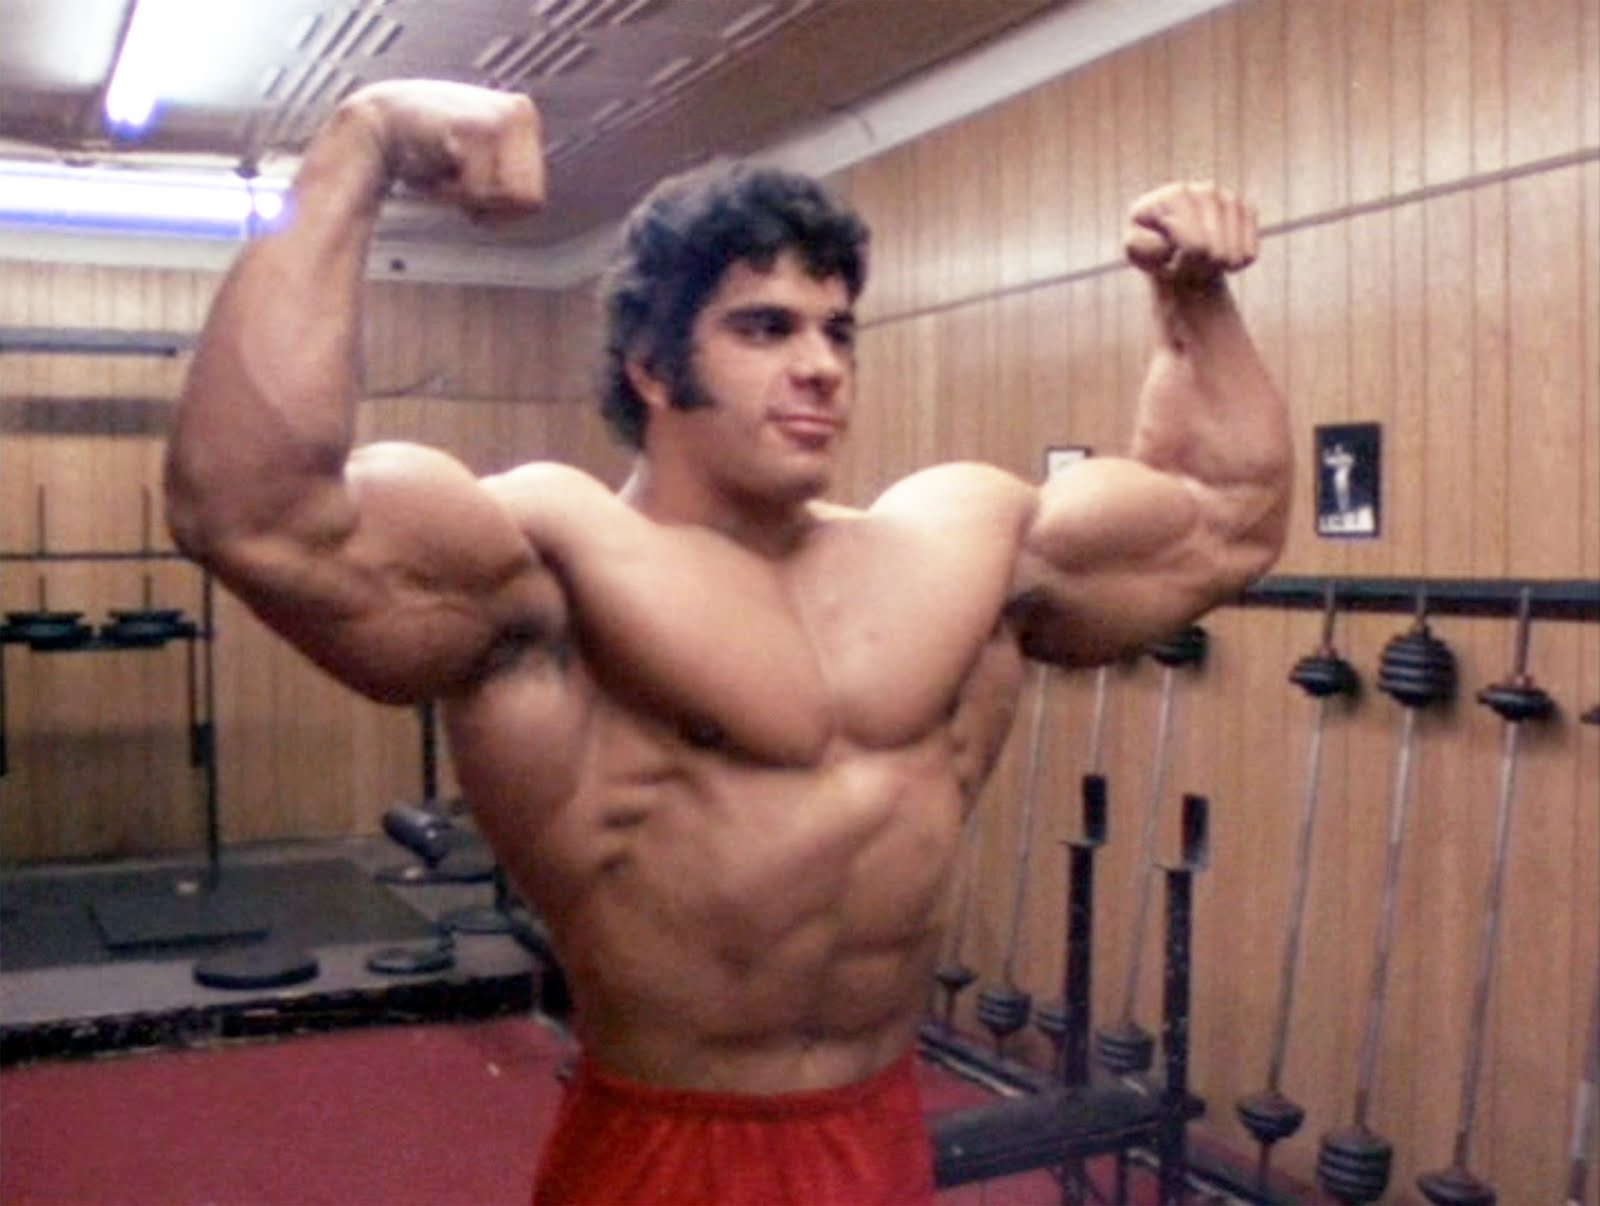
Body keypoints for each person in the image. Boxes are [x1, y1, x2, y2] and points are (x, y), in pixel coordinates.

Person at [165, 79, 1291, 1205]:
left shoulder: (963, 547)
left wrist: (1191, 297)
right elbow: (252, 512)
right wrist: (360, 141)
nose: (820, 364)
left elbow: (1222, 517)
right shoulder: (544, 566)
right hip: (666, 1145)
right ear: (652, 367)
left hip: (879, 1133)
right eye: (764, 327)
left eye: (835, 328)